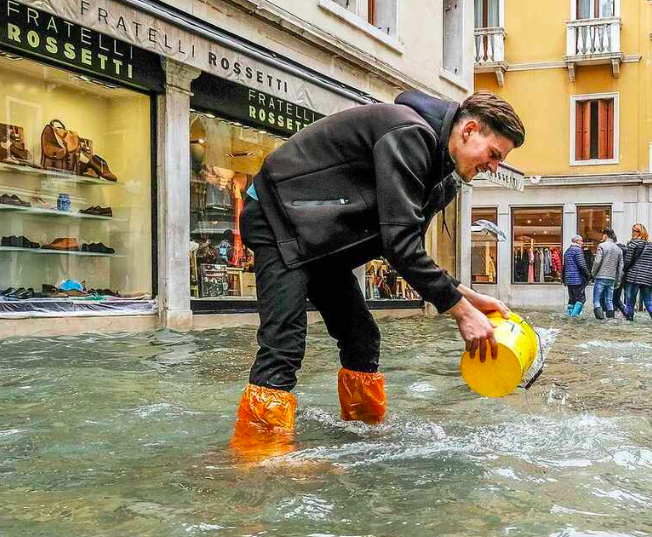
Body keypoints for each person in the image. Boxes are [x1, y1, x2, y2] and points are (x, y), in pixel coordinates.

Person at [231, 91, 525, 458]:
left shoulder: (444, 179)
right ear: (468, 130)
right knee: (284, 344)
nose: (493, 167)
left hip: (322, 239)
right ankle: (257, 455)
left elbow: (406, 249)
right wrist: (461, 313)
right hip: (277, 218)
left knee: (362, 338)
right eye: (494, 154)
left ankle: (362, 430)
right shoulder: (408, 135)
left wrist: (468, 297)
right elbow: (400, 245)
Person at [623, 223, 652, 321]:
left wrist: (624, 271)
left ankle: (629, 322)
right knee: (648, 302)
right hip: (647, 278)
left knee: (630, 302)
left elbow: (628, 261)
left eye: (633, 231)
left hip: (633, 277)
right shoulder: (651, 246)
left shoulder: (633, 243)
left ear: (636, 232)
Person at [591, 228, 623, 319]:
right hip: (612, 278)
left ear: (605, 235)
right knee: (609, 301)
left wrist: (593, 273)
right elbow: (621, 266)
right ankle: (610, 319)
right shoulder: (618, 249)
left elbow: (597, 262)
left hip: (601, 276)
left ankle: (600, 320)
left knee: (596, 300)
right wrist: (618, 279)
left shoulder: (602, 246)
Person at [563, 235, 591, 317]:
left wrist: (564, 279)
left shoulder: (567, 251)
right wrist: (588, 275)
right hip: (577, 279)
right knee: (581, 299)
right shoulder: (578, 250)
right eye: (581, 241)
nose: (582, 243)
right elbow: (582, 265)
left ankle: (569, 314)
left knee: (572, 299)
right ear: (577, 241)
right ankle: (574, 316)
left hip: (569, 279)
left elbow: (564, 267)